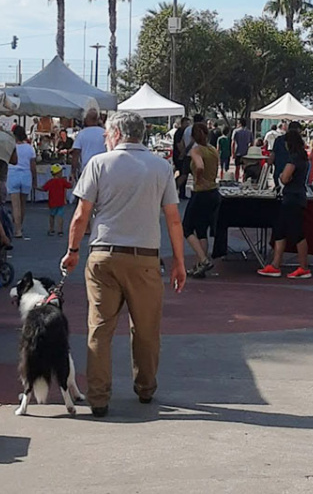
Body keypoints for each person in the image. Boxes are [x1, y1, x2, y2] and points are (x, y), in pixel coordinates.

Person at [61, 110, 186, 418]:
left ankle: (99, 397)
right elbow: (173, 219)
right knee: (145, 329)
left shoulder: (99, 164)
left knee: (100, 328)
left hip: (104, 253)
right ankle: (145, 387)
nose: (105, 139)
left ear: (116, 134)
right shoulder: (161, 167)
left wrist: (72, 250)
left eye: (106, 134)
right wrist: (179, 262)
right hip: (145, 258)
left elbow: (81, 215)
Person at [258, 129, 311, 280]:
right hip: (295, 196)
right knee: (280, 231)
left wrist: (281, 175)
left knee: (297, 233)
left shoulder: (293, 159)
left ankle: (303, 267)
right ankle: (275, 264)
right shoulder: (303, 158)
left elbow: (285, 177)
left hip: (292, 198)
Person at [183, 122, 222, 278]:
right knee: (201, 230)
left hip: (200, 192)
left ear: (192, 136)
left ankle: (204, 260)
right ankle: (200, 265)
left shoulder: (196, 150)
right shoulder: (213, 150)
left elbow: (199, 166)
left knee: (186, 228)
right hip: (213, 191)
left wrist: (198, 179)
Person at [7, 125, 37, 239]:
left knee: (15, 205)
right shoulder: (30, 148)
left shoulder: (11, 147)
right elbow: (33, 166)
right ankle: (20, 226)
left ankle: (17, 228)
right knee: (23, 204)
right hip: (26, 175)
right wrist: (35, 181)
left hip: (13, 174)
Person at [41, 164, 72, 236]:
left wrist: (36, 187)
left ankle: (52, 229)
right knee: (60, 216)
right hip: (61, 201)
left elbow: (44, 188)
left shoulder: (50, 181)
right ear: (58, 173)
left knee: (52, 215)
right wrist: (72, 180)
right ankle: (60, 230)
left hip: (52, 202)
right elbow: (70, 186)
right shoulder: (62, 181)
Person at [271, 121, 300, 187]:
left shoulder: (278, 140)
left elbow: (272, 156)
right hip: (293, 176)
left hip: (278, 172)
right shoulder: (298, 142)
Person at [171, 117, 192, 199]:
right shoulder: (180, 132)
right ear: (182, 123)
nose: (187, 125)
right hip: (179, 156)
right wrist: (183, 153)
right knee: (183, 174)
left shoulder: (183, 131)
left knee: (183, 174)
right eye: (186, 123)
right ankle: (174, 189)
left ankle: (181, 193)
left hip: (181, 156)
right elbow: (179, 144)